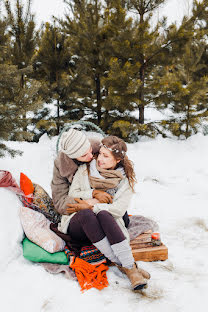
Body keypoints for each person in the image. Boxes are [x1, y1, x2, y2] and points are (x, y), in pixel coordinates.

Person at [58, 135, 150, 291]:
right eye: (100, 153)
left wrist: (92, 207)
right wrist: (93, 194)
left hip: (103, 221)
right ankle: (129, 266)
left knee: (103, 214)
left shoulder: (124, 181)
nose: (99, 159)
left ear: (117, 160)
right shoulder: (85, 170)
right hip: (78, 222)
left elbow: (119, 209)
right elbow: (73, 193)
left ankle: (129, 269)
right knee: (88, 215)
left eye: (106, 156)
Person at [51, 128, 113, 215]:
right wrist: (85, 203)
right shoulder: (61, 166)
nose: (91, 156)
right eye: (84, 155)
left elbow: (117, 160)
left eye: (90, 150)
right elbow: (59, 200)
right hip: (80, 207)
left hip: (107, 199)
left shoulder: (99, 146)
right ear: (73, 156)